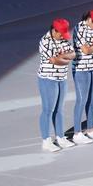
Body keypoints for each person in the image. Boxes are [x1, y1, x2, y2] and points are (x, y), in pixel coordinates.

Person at [37, 19, 75, 152]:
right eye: (61, 34)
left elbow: (73, 54)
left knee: (59, 109)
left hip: (61, 78)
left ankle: (60, 137)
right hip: (48, 79)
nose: (63, 37)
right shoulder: (45, 42)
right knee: (48, 110)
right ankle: (46, 140)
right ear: (54, 30)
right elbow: (54, 61)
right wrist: (64, 58)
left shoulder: (63, 39)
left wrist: (62, 57)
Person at [72, 10, 93, 144]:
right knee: (82, 99)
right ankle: (77, 132)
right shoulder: (79, 28)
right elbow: (85, 50)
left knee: (92, 99)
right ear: (90, 20)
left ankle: (91, 128)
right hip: (81, 69)